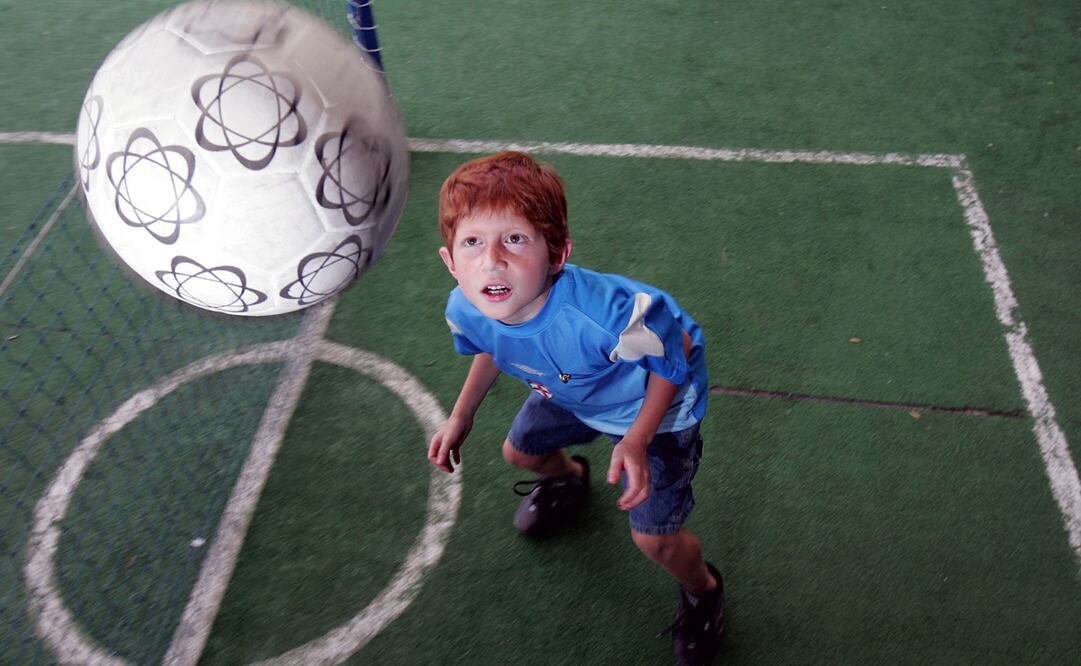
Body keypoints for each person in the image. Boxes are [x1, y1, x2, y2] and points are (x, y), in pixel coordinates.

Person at [427, 151, 724, 665]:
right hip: (572, 392)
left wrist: (636, 438)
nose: (492, 260)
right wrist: (462, 414)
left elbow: (678, 350)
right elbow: (490, 346)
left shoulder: (602, 316)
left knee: (655, 540)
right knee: (519, 453)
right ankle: (570, 478)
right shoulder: (466, 306)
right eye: (472, 242)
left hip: (655, 409)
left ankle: (704, 590)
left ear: (558, 254)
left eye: (515, 239)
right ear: (450, 261)